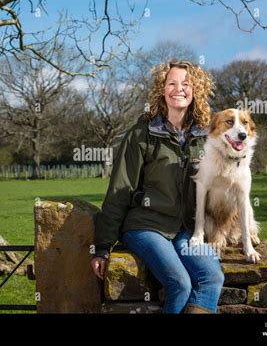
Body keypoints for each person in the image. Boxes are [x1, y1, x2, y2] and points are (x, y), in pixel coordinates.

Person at [91, 60, 224, 314]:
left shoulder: (206, 136)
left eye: (186, 84)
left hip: (185, 229)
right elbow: (120, 190)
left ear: (196, 90)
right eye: (171, 83)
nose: (179, 89)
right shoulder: (142, 134)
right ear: (162, 90)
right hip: (146, 226)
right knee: (180, 284)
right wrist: (102, 248)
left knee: (212, 278)